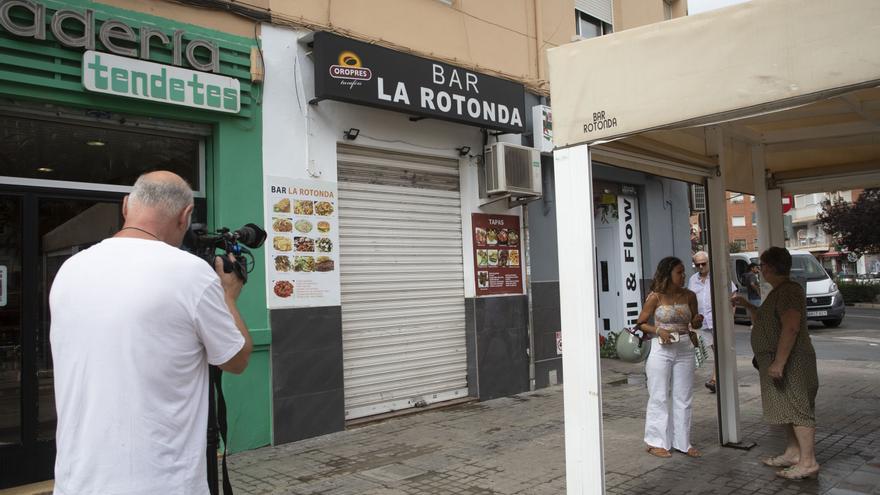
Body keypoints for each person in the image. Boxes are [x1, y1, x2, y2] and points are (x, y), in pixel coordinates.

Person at [50, 171, 253, 494]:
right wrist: (228, 295)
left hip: (76, 480)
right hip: (161, 482)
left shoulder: (70, 269)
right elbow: (237, 359)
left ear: (126, 205)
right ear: (185, 216)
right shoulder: (190, 273)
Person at [732, 247, 820, 480]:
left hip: (793, 363)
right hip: (782, 361)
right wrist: (748, 305)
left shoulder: (788, 291)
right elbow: (767, 319)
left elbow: (791, 327)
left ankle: (808, 462)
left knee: (799, 409)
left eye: (761, 266)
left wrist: (779, 362)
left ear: (768, 267)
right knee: (787, 408)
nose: (760, 271)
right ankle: (793, 453)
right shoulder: (779, 291)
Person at [636, 257, 705, 458]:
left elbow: (695, 323)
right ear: (668, 275)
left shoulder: (690, 296)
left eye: (684, 272)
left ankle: (683, 442)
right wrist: (658, 330)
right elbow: (640, 323)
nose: (683, 276)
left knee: (683, 397)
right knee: (658, 395)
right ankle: (655, 442)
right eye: (679, 272)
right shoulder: (655, 297)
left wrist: (697, 320)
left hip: (684, 346)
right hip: (661, 349)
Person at [687, 250, 736, 393]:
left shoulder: (719, 276)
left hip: (718, 320)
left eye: (704, 264)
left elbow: (733, 295)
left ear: (709, 263)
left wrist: (730, 317)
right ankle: (721, 377)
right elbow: (691, 300)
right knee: (717, 350)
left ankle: (715, 379)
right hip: (703, 323)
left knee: (718, 349)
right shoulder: (693, 280)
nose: (701, 267)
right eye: (698, 265)